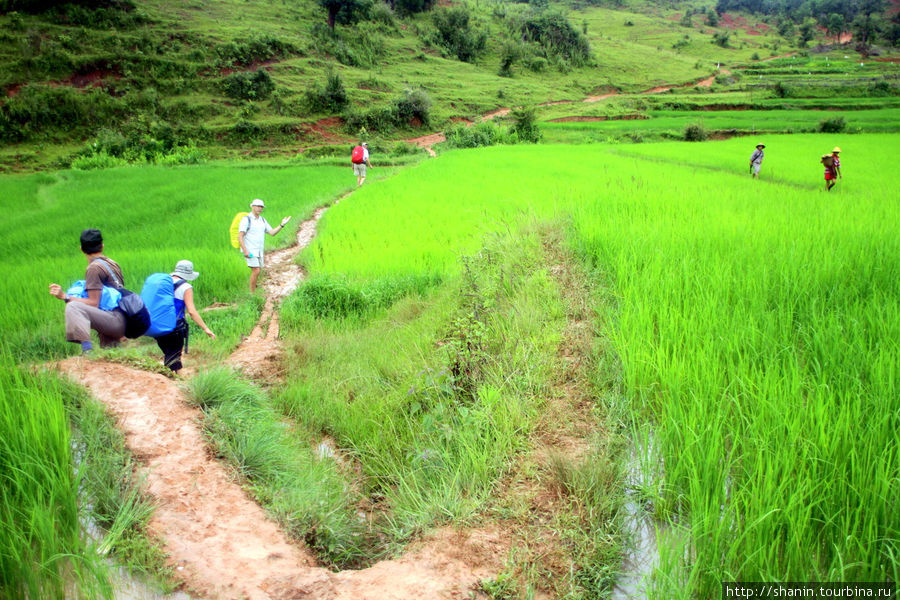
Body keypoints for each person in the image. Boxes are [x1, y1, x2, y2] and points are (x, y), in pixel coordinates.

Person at [48, 229, 126, 354]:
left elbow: (93, 303)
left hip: (113, 320)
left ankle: (87, 350)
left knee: (73, 306)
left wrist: (64, 296)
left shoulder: (93, 268)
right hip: (122, 318)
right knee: (112, 356)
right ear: (102, 246)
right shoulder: (112, 263)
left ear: (81, 249)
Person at [155, 260, 215, 374]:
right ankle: (179, 385)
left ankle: (170, 378)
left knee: (170, 356)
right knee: (175, 359)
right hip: (174, 328)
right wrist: (206, 328)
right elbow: (191, 312)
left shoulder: (162, 281)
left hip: (157, 326)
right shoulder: (186, 287)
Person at [237, 198, 291, 292]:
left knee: (257, 271)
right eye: (257, 206)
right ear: (252, 207)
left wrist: (282, 225)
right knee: (256, 270)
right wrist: (245, 250)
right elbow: (240, 236)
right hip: (250, 250)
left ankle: (254, 290)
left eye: (261, 207)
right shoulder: (246, 220)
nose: (259, 208)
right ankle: (252, 294)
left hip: (259, 250)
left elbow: (272, 232)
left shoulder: (262, 220)